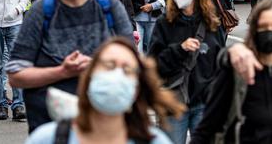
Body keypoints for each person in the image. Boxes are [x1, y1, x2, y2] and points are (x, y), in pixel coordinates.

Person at [7, 0, 134, 131]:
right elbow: (17, 75)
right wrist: (62, 71)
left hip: (99, 124)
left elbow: (131, 65)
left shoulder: (110, 8)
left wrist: (97, 66)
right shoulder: (40, 12)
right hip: (49, 125)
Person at [25, 37, 181, 144]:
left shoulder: (156, 141)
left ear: (136, 89)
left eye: (127, 70)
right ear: (90, 77)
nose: (116, 75)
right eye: (109, 66)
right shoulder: (47, 139)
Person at [191, 0, 272, 144]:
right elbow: (206, 128)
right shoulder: (236, 72)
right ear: (254, 31)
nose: (270, 31)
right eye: (263, 26)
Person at [149, 0, 225, 143]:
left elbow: (220, 63)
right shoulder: (164, 23)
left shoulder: (212, 23)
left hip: (204, 102)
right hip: (174, 103)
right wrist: (179, 49)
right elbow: (154, 65)